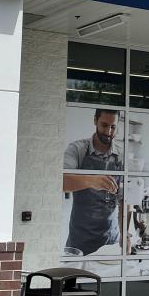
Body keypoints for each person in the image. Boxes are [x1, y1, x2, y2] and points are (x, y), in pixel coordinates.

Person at [62, 108, 123, 255]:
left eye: (113, 127)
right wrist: (91, 180)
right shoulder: (77, 149)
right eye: (104, 125)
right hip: (79, 241)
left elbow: (125, 200)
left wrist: (125, 234)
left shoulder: (122, 156)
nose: (108, 131)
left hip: (110, 242)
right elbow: (61, 182)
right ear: (95, 121)